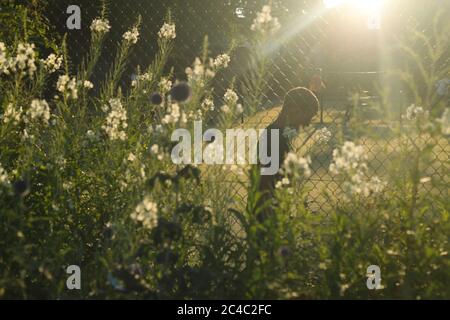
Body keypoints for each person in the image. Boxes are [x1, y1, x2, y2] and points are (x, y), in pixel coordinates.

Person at [256, 87, 319, 220]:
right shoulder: (272, 137)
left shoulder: (283, 135)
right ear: (293, 110)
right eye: (307, 117)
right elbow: (265, 184)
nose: (307, 124)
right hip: (267, 215)